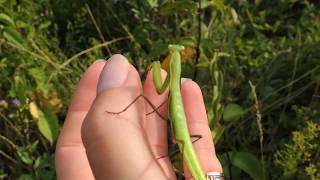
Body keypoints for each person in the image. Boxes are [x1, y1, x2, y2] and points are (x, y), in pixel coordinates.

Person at [55, 54, 223, 180]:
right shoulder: (174, 83)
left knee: (144, 98)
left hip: (180, 136)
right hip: (181, 138)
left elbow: (159, 88)